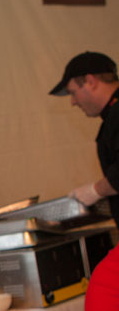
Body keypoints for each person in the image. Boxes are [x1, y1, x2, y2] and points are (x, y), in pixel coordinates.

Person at [49, 51, 119, 226]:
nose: (73, 102)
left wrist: (96, 191)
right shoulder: (111, 116)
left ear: (90, 81)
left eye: (73, 92)